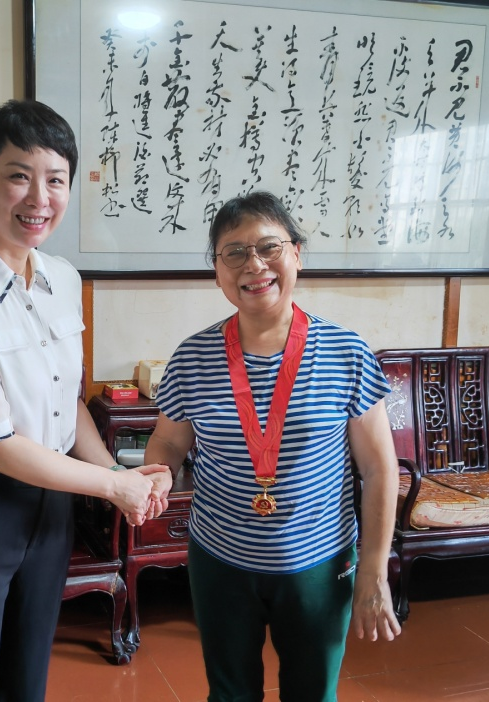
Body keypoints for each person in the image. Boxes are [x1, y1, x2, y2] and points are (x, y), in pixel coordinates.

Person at [0, 99, 172, 702]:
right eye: (18, 176)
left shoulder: (62, 279)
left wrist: (114, 471)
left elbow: (67, 404)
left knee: (26, 679)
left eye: (56, 180)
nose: (39, 198)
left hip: (52, 502)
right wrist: (112, 486)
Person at [144, 191, 401, 702]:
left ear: (297, 255)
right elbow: (169, 440)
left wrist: (374, 568)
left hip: (319, 563)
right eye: (234, 252)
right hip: (220, 559)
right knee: (230, 694)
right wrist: (156, 475)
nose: (254, 265)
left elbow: (378, 469)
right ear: (218, 271)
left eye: (268, 247)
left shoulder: (346, 352)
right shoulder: (192, 357)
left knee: (312, 693)